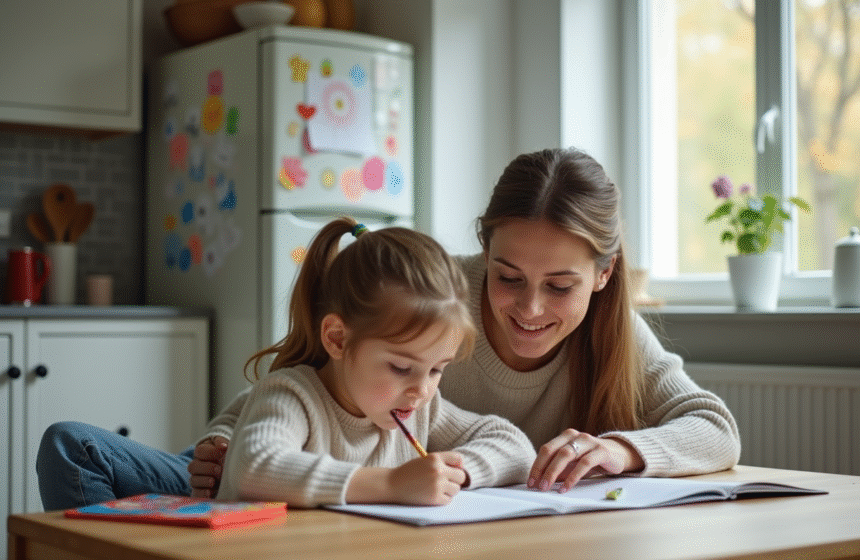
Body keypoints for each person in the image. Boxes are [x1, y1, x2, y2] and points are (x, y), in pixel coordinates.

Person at [37, 147, 740, 509]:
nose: (527, 307)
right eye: (506, 275)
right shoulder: (435, 295)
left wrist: (621, 450)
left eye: (559, 285)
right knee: (82, 454)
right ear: (482, 248)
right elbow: (295, 377)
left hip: (417, 506)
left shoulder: (613, 334)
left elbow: (715, 427)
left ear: (604, 273)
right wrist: (223, 439)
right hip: (288, 465)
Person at [215, 217, 535, 506]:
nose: (421, 390)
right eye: (400, 368)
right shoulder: (292, 396)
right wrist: (393, 484)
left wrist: (450, 474)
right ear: (337, 338)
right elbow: (254, 466)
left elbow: (515, 447)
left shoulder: (420, 410)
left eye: (437, 369)